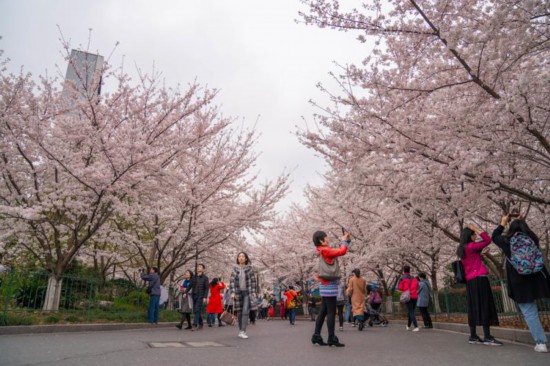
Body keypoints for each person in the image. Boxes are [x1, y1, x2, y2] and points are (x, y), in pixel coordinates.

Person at [492, 214, 550, 353]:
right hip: (539, 278)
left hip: (520, 282)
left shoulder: (507, 240)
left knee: (530, 313)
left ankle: (541, 343)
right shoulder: (532, 238)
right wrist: (521, 220)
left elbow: (494, 236)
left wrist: (502, 223)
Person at [457, 223, 502, 345]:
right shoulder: (472, 247)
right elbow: (488, 239)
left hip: (470, 281)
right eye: (474, 234)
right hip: (480, 279)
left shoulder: (462, 249)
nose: (476, 236)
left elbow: (472, 259)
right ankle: (487, 336)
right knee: (484, 305)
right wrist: (475, 228)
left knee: (473, 307)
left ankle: (473, 335)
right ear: (470, 236)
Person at [311, 230, 350, 347]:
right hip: (329, 284)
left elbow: (339, 251)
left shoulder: (321, 250)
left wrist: (347, 241)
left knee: (323, 311)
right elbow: (341, 251)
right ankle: (331, 337)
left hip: (324, 284)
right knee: (331, 312)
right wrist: (344, 241)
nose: (328, 239)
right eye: (326, 238)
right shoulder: (326, 250)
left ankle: (316, 335)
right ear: (321, 241)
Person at [229, 251, 258, 339]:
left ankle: (243, 331)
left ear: (246, 258)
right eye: (239, 256)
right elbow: (232, 281)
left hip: (247, 293)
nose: (241, 258)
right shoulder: (234, 269)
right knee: (239, 313)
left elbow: (253, 281)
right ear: (238, 259)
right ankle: (241, 330)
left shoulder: (250, 269)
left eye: (242, 256)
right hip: (238, 293)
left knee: (245, 311)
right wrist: (233, 292)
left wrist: (253, 291)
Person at [184, 263, 209, 331]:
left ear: (203, 269)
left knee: (197, 309)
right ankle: (201, 323)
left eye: (200, 267)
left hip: (201, 296)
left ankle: (195, 324)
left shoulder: (205, 278)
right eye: (198, 267)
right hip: (194, 295)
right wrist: (185, 292)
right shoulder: (194, 277)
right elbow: (190, 286)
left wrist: (205, 297)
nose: (198, 268)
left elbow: (207, 288)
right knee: (196, 310)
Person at [398, 265, 419, 332]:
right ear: (409, 270)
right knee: (411, 311)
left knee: (411, 312)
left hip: (408, 297)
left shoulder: (402, 278)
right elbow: (418, 287)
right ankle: (408, 326)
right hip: (415, 296)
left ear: (404, 270)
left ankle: (416, 326)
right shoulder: (414, 278)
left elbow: (400, 288)